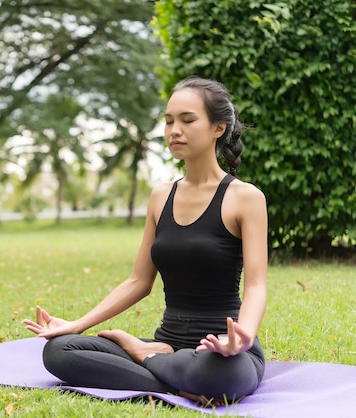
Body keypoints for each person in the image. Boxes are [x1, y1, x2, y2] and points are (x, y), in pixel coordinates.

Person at [23, 76, 268, 406]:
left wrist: (242, 337)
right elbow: (139, 280)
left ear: (218, 128)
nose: (174, 131)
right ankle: (167, 371)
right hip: (167, 340)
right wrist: (77, 325)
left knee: (226, 376)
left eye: (187, 120)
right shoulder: (160, 196)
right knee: (60, 351)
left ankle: (147, 359)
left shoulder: (245, 198)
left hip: (221, 349)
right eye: (168, 122)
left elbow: (255, 286)